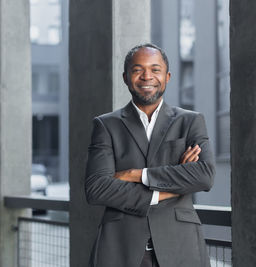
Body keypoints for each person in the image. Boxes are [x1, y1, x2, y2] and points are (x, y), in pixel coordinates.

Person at [85, 43, 215, 267]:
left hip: (180, 244)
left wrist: (137, 174)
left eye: (155, 69)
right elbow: (96, 188)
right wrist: (168, 187)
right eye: (138, 70)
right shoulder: (106, 125)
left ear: (167, 76)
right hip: (121, 245)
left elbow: (204, 176)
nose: (147, 76)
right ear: (126, 77)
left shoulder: (190, 121)